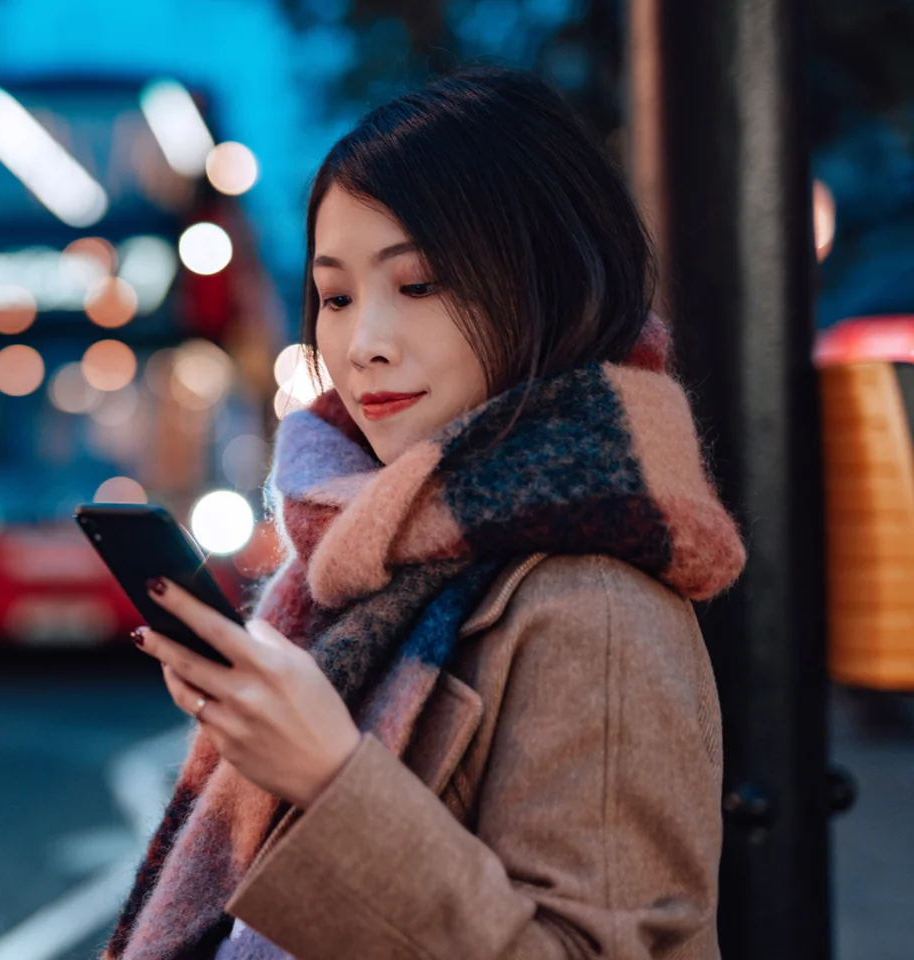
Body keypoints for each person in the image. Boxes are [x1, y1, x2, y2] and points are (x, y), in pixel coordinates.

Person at [103, 68, 745, 960]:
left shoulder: (591, 609)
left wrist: (330, 780)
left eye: (420, 285)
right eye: (335, 297)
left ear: (543, 286)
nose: (363, 341)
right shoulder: (355, 565)